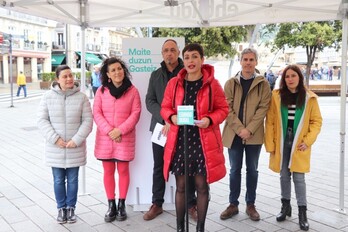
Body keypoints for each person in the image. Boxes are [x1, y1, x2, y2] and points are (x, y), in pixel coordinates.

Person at [160, 43, 229, 232]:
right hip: (180, 140)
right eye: (188, 57)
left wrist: (209, 119)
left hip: (202, 141)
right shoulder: (174, 83)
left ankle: (200, 227)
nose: (191, 61)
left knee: (202, 187)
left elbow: (223, 109)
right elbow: (165, 107)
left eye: (195, 56)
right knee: (181, 186)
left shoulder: (212, 84)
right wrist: (171, 117)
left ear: (202, 59)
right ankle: (180, 228)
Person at [144, 39, 198, 221]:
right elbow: (150, 101)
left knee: (186, 167)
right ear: (162, 54)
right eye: (166, 50)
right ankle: (157, 203)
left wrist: (175, 120)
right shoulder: (155, 75)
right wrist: (165, 118)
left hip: (183, 129)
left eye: (173, 50)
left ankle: (191, 204)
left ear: (178, 52)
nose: (169, 53)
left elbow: (191, 100)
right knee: (159, 166)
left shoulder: (187, 74)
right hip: (160, 128)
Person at [264, 65, 322, 231]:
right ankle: (285, 206)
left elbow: (316, 122)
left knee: (299, 178)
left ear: (299, 78)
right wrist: (271, 144)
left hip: (299, 142)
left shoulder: (309, 98)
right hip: (282, 141)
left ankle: (302, 213)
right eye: (287, 76)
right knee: (283, 175)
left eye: (293, 76)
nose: (290, 79)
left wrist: (308, 140)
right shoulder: (277, 96)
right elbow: (271, 120)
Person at [37, 65, 93, 224]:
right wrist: (56, 139)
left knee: (73, 179)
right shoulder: (47, 97)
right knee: (58, 180)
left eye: (70, 75)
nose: (69, 79)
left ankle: (71, 208)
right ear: (57, 79)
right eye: (65, 76)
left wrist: (76, 140)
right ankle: (61, 208)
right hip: (56, 147)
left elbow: (88, 121)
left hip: (75, 146)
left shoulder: (82, 97)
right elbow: (42, 120)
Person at [220, 48, 271, 221]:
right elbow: (227, 108)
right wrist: (240, 129)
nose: (248, 62)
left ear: (256, 62)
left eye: (251, 59)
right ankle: (233, 204)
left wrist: (249, 129)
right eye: (245, 59)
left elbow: (263, 108)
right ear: (240, 61)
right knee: (234, 170)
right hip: (234, 134)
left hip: (254, 135)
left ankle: (251, 205)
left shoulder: (263, 84)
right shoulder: (230, 83)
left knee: (253, 170)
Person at [93, 57, 141, 222]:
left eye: (119, 69)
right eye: (113, 70)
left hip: (124, 138)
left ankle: (122, 204)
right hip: (106, 139)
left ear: (124, 70)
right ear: (108, 74)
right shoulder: (101, 91)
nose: (117, 72)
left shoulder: (133, 91)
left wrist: (120, 130)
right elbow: (96, 113)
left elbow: (136, 113)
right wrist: (109, 131)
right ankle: (111, 205)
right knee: (107, 171)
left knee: (123, 171)